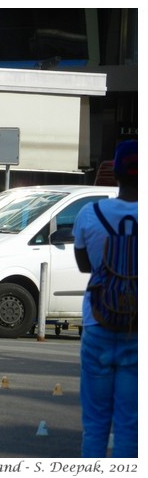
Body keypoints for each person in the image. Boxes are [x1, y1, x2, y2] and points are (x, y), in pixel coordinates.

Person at [72, 139, 138, 458]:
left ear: (116, 173)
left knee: (96, 424)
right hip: (139, 330)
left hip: (97, 321)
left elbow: (84, 265)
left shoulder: (91, 212)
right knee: (130, 425)